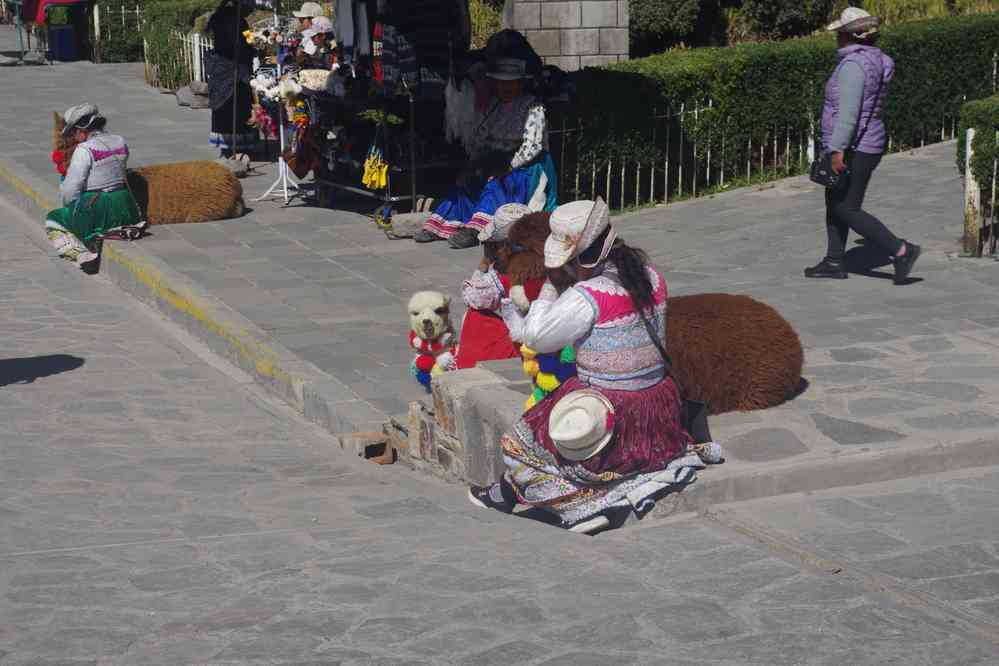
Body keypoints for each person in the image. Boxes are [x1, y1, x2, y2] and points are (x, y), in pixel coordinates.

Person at [468, 199, 702, 534]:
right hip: (657, 405)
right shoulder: (650, 276)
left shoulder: (588, 296)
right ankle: (506, 495)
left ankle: (575, 506)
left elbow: (535, 337)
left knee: (521, 446)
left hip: (610, 410)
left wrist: (549, 287)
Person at [805, 7, 920, 285]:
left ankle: (901, 250)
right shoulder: (877, 60)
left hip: (856, 146)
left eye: (839, 33)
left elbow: (849, 115)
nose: (836, 38)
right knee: (835, 203)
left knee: (847, 208)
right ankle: (834, 261)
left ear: (847, 36)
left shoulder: (854, 67)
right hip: (869, 142)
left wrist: (837, 150)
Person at [413, 56, 557, 249]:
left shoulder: (533, 107)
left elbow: (532, 145)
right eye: (501, 83)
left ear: (521, 83)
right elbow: (482, 137)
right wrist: (474, 165)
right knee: (465, 185)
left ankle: (475, 231)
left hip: (526, 167)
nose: (505, 87)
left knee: (495, 185)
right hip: (496, 160)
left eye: (511, 83)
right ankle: (441, 226)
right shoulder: (495, 106)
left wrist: (508, 167)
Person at [44, 104, 143, 272]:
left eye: (74, 132)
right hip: (125, 204)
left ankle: (84, 255)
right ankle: (113, 229)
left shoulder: (84, 149)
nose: (74, 137)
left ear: (82, 130)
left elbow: (71, 189)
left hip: (98, 206)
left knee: (54, 218)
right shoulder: (120, 141)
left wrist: (73, 209)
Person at [455, 203, 546, 369]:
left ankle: (468, 367)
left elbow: (473, 298)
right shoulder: (548, 262)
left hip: (525, 344)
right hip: (550, 333)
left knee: (475, 316)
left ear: (501, 246)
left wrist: (482, 266)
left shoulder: (503, 276)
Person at [206, 0, 258, 157]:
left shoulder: (218, 17)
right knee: (237, 110)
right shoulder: (239, 22)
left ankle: (228, 147)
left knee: (226, 111)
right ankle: (239, 147)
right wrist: (253, 49)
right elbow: (249, 43)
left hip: (222, 69)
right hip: (234, 71)